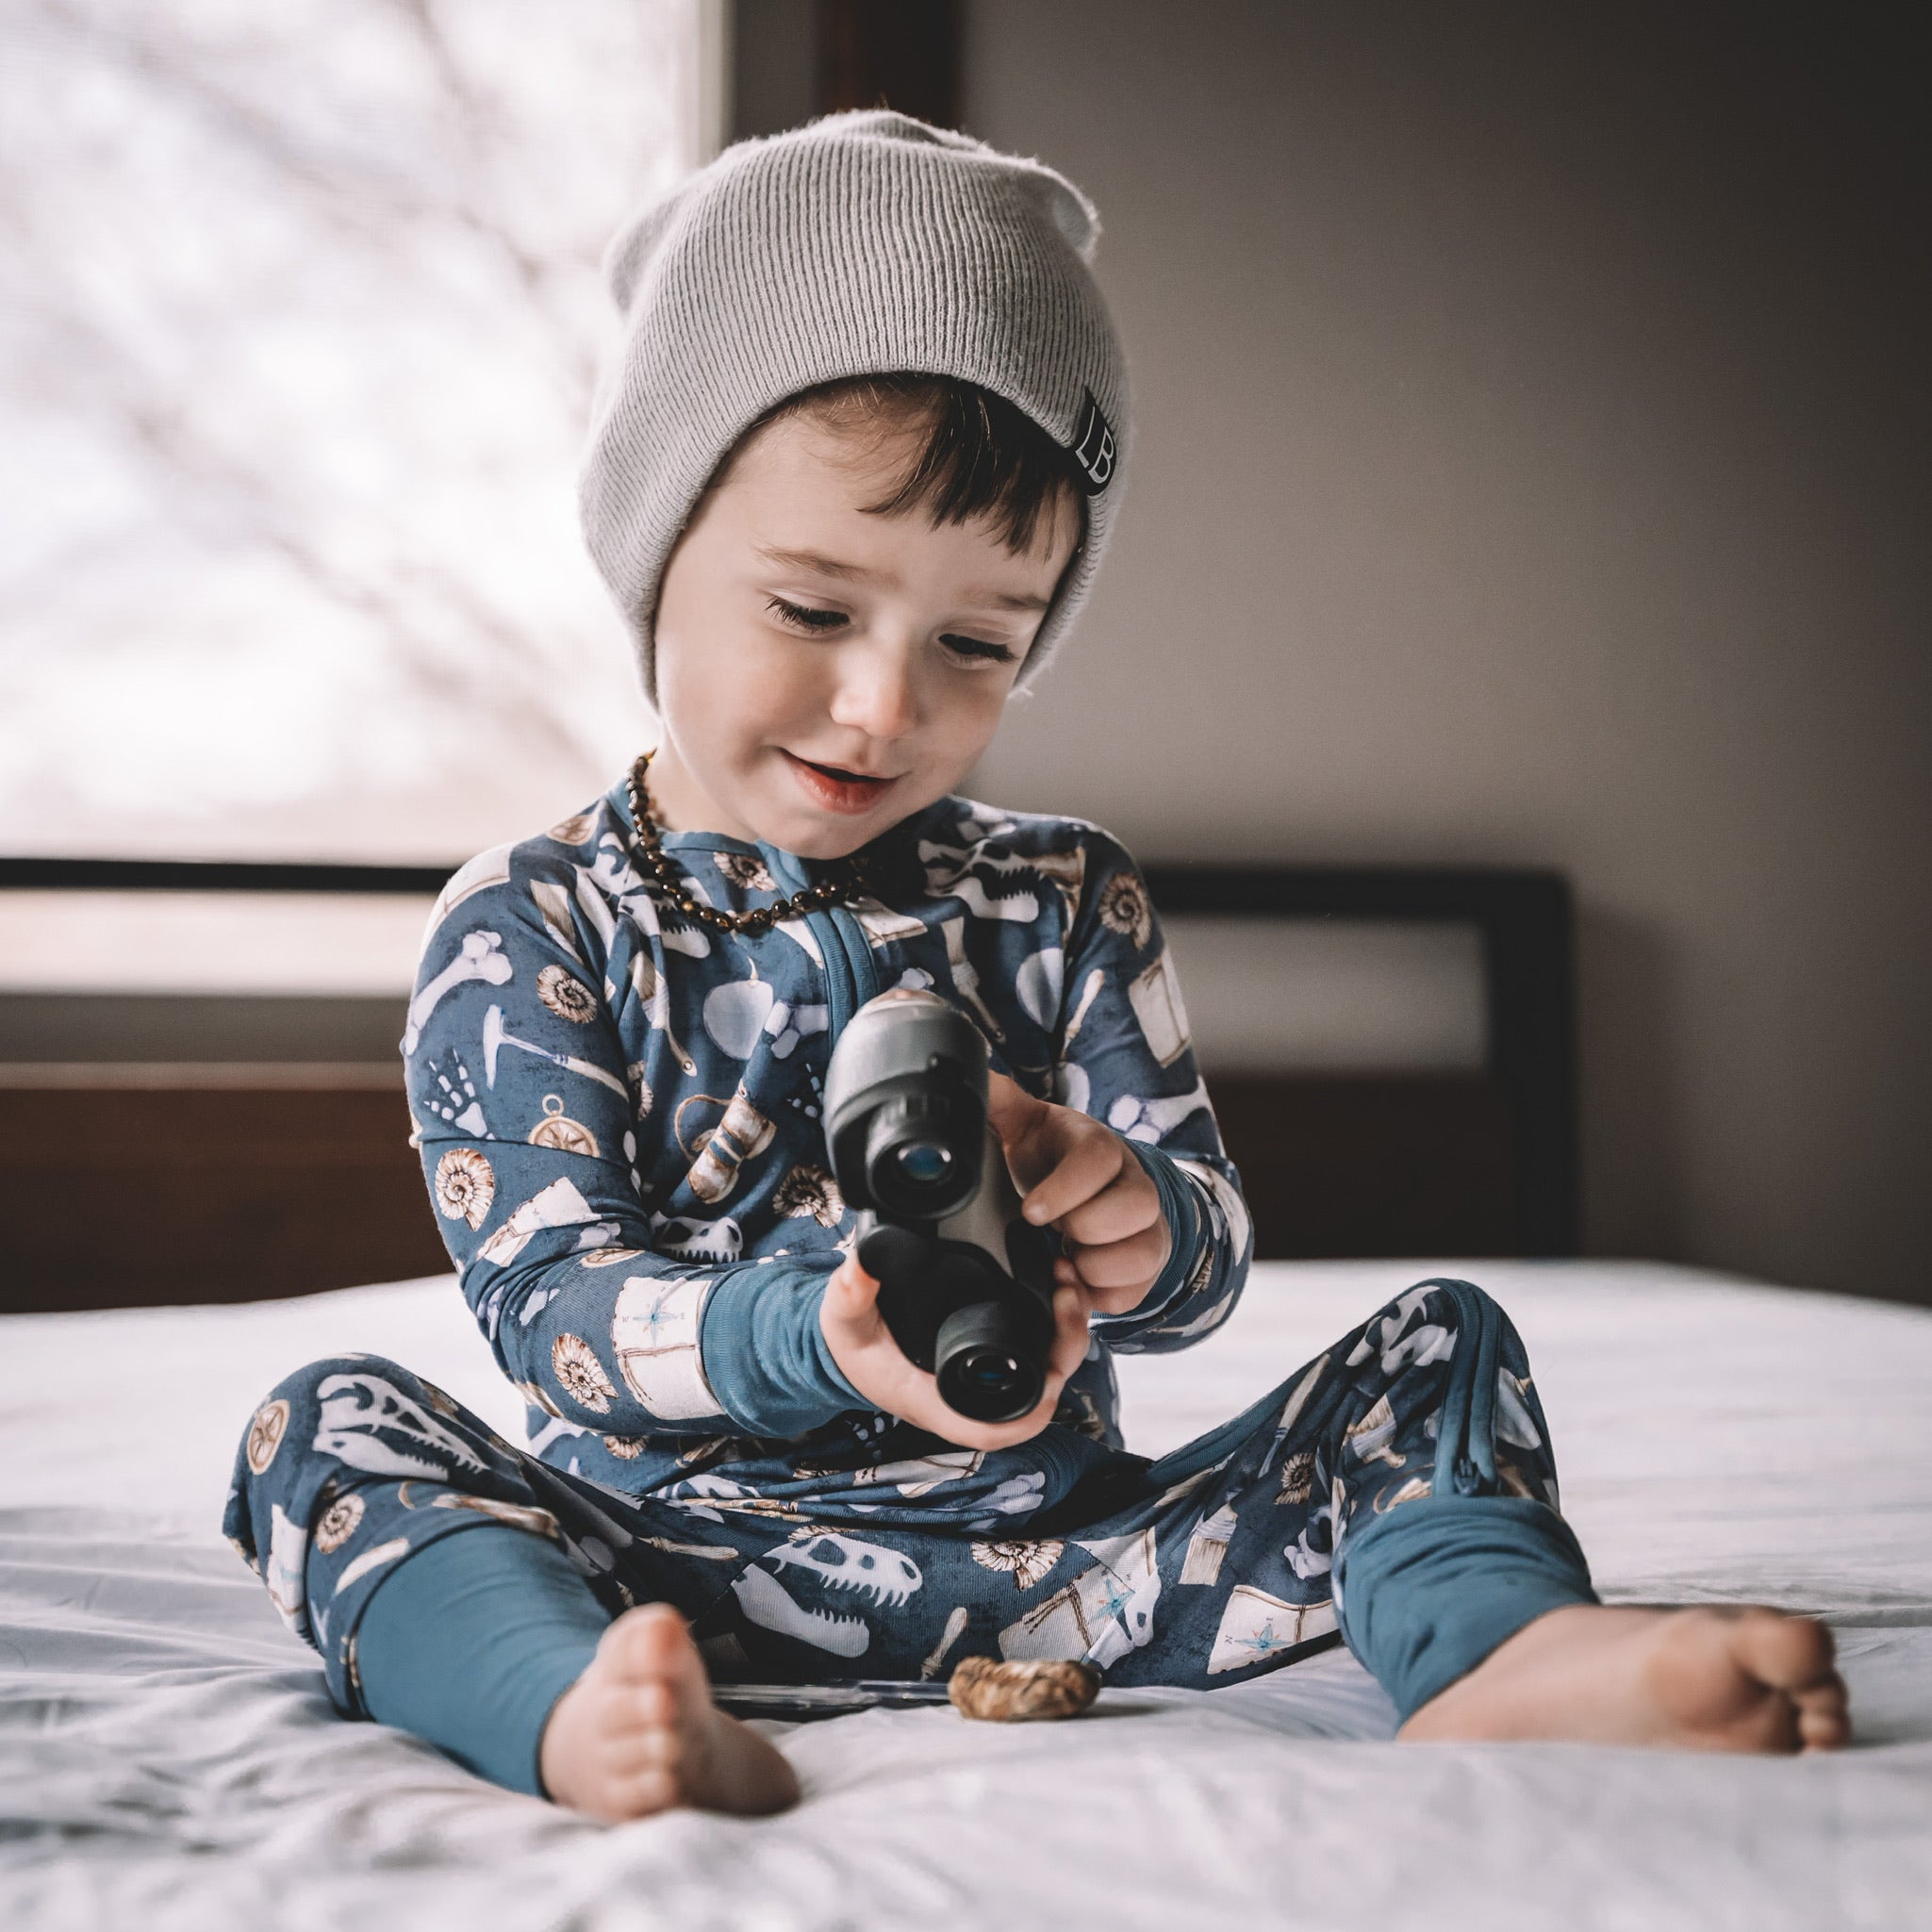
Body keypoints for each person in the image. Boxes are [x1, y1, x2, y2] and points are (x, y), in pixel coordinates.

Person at [224, 111, 1849, 1822]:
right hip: (663, 1569)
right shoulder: (535, 921)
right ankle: (569, 1708)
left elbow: (1202, 1267)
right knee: (320, 1429)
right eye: (810, 610)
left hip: (1078, 1565)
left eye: (975, 642)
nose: (883, 704)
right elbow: (555, 1314)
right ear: (653, 548)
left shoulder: (1061, 896)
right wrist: (817, 1334)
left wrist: (1128, 1210)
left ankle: (1497, 1649)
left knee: (1440, 1345)